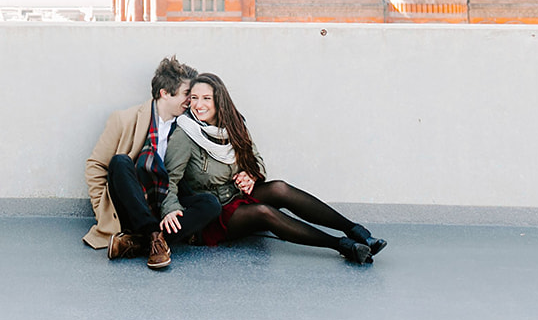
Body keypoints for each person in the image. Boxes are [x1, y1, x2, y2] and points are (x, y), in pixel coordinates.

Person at [160, 73, 387, 265]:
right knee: (264, 212)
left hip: (237, 196)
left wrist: (250, 175)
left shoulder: (234, 125)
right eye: (194, 98)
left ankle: (355, 231)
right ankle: (342, 246)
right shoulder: (185, 134)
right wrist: (170, 210)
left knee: (279, 188)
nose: (199, 105)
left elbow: (256, 160)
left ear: (219, 100)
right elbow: (170, 179)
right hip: (214, 214)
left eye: (206, 98)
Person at [84, 56, 222, 270]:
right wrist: (101, 210)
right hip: (135, 202)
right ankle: (153, 234)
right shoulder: (124, 119)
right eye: (187, 94)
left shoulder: (191, 123)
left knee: (211, 204)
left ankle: (143, 242)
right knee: (119, 162)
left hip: (171, 200)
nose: (192, 101)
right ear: (165, 93)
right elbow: (96, 166)